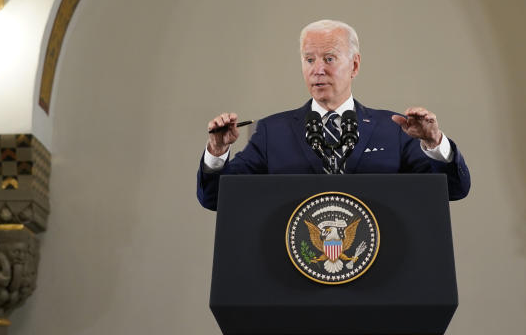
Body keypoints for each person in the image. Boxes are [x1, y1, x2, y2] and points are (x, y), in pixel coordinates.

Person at [196, 19, 471, 210]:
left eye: (329, 58)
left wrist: (435, 144)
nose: (318, 69)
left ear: (354, 64)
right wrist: (217, 152)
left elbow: (453, 190)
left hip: (379, 277)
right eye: (309, 59)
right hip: (294, 277)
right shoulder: (272, 132)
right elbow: (216, 199)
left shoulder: (395, 129)